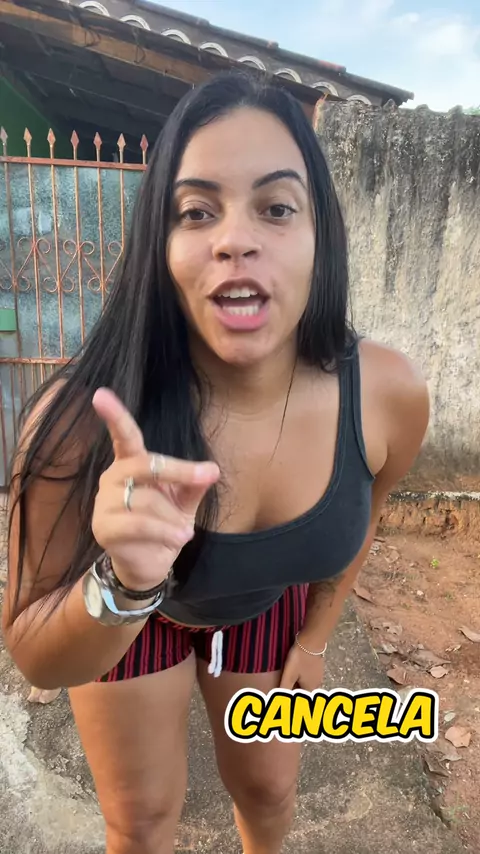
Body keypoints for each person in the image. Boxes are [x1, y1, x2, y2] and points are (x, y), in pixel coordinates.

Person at [2, 72, 429, 854]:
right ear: (159, 246)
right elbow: (34, 654)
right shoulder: (77, 423)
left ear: (321, 233)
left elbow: (366, 515)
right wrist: (124, 580)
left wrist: (316, 638)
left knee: (269, 792)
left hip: (263, 610)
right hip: (129, 622)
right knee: (141, 822)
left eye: (277, 207)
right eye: (197, 211)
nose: (235, 238)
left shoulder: (388, 396)